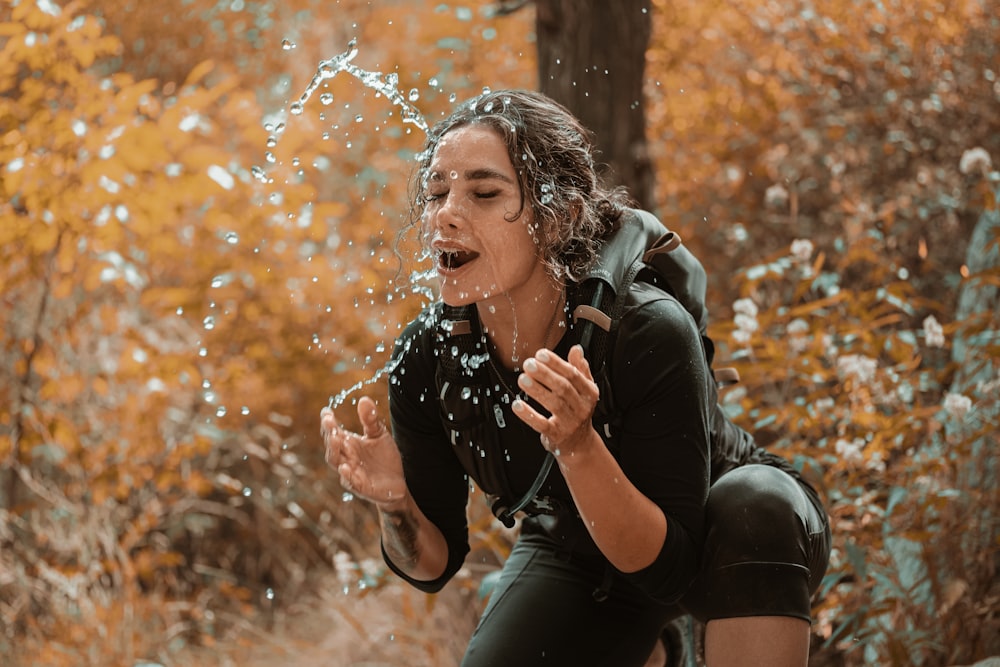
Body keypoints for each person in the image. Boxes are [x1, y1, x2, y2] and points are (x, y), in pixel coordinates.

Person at [320, 89, 831, 667]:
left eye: (484, 193)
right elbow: (433, 566)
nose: (445, 214)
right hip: (577, 546)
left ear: (556, 218)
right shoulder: (429, 356)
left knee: (753, 504)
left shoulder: (647, 329)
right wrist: (393, 504)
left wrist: (579, 445)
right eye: (437, 193)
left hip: (724, 538)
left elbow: (671, 571)